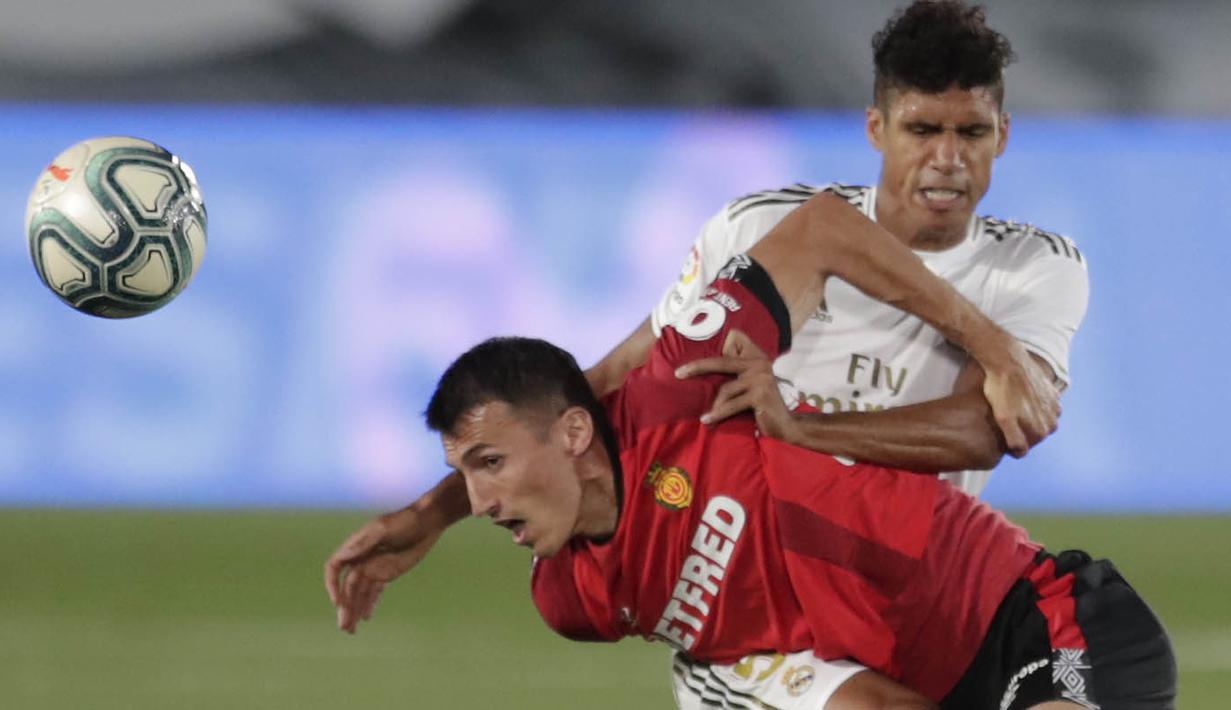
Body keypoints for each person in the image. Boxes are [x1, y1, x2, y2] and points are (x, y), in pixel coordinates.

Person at [325, 191, 1174, 709]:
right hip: (915, 683)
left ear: (576, 433)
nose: (481, 504)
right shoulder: (574, 601)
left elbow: (822, 230)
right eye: (464, 478)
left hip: (1036, 620)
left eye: (486, 469)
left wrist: (993, 348)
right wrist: (435, 510)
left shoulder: (683, 383)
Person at [587, 0, 1089, 498]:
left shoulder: (1035, 266)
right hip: (743, 551)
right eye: (922, 131)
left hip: (896, 567)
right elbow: (628, 368)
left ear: (1001, 136)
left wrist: (798, 428)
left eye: (972, 132)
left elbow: (981, 433)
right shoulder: (761, 227)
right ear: (877, 129)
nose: (948, 158)